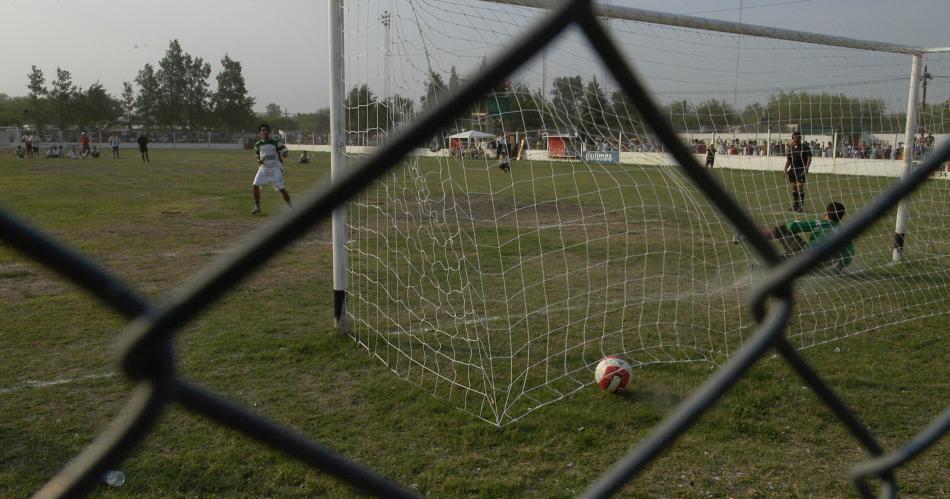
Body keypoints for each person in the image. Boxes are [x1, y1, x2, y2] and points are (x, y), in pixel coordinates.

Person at [764, 201, 853, 272]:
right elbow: (850, 253)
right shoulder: (844, 233)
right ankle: (760, 267)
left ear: (826, 213)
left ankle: (758, 237)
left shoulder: (821, 223)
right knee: (786, 258)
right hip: (816, 267)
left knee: (783, 230)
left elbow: (792, 226)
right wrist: (839, 268)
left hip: (804, 256)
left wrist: (795, 223)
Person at [250, 123, 292, 215]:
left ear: (269, 132)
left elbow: (284, 150)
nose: (265, 132)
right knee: (255, 185)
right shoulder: (258, 145)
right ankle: (257, 206)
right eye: (263, 130)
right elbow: (257, 156)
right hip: (263, 169)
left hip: (276, 169)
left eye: (266, 130)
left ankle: (290, 207)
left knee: (281, 188)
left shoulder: (275, 142)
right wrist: (259, 161)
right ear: (260, 133)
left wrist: (285, 154)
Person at [784, 130, 812, 212]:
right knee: (794, 188)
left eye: (797, 138)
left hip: (801, 170)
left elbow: (809, 158)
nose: (796, 140)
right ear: (792, 139)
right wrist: (785, 168)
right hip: (792, 170)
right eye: (794, 138)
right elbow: (789, 160)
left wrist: (806, 167)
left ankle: (800, 207)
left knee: (800, 187)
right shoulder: (791, 148)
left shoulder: (805, 147)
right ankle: (795, 206)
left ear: (800, 138)